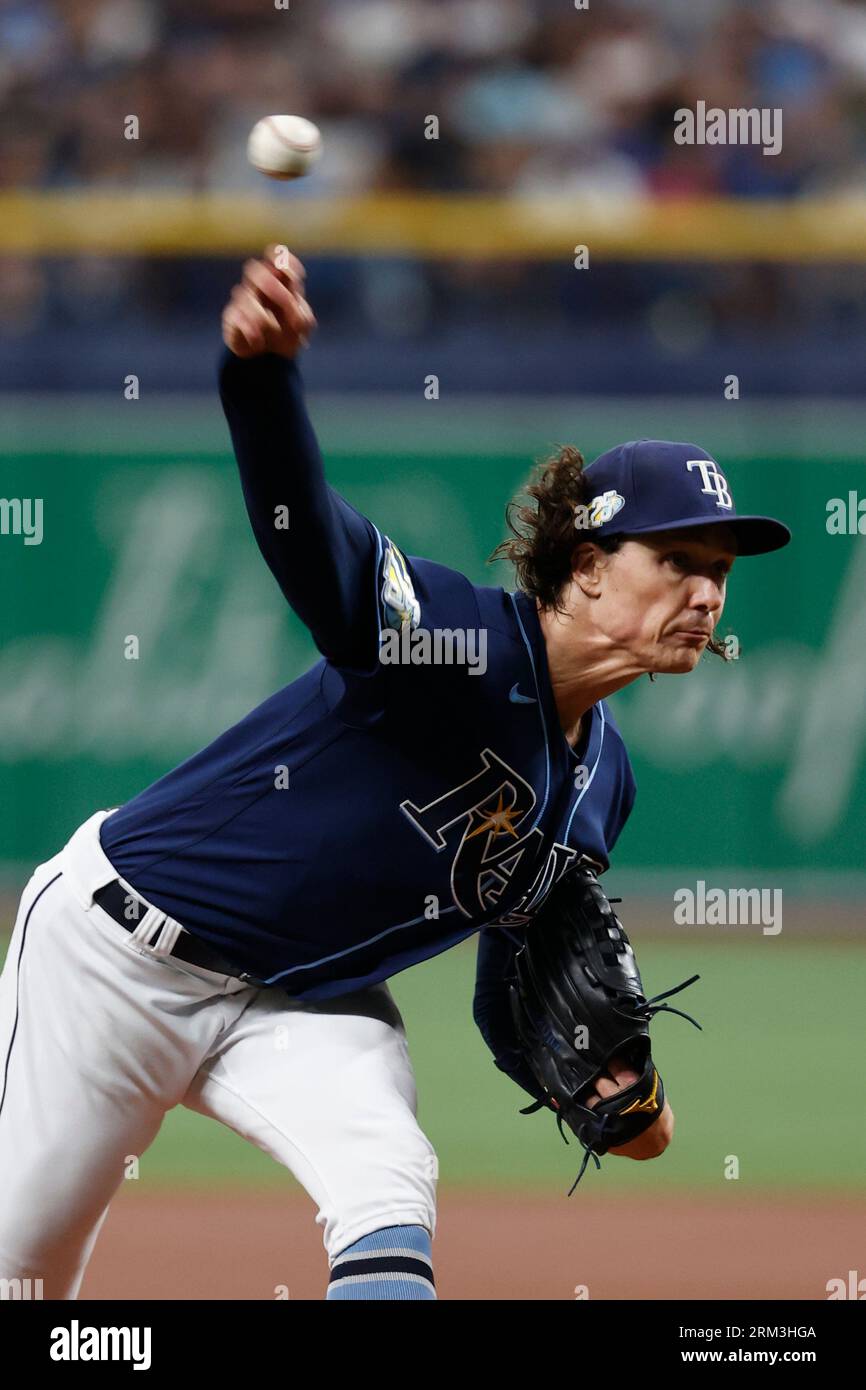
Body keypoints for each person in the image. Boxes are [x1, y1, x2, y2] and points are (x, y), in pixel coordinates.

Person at [0, 247, 790, 1301]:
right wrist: (262, 377)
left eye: (719, 573)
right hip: (114, 957)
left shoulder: (603, 780)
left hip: (304, 1002)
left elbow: (517, 983)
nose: (704, 593)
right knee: (26, 1276)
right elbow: (310, 545)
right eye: (677, 562)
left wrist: (605, 1084)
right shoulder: (460, 642)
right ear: (588, 564)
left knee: (388, 1183)